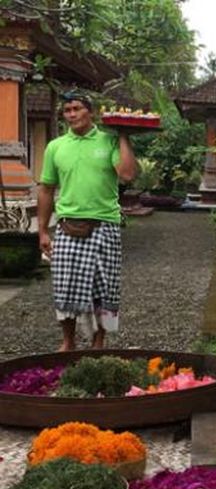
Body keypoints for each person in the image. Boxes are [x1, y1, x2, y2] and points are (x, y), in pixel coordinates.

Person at [37, 90, 137, 351]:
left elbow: (127, 174)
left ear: (90, 111)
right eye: (67, 110)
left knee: (104, 287)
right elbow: (46, 189)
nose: (72, 114)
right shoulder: (55, 147)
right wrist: (43, 232)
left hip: (105, 224)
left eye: (77, 109)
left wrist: (124, 135)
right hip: (68, 225)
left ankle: (99, 340)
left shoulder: (109, 141)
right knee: (65, 285)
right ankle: (68, 341)